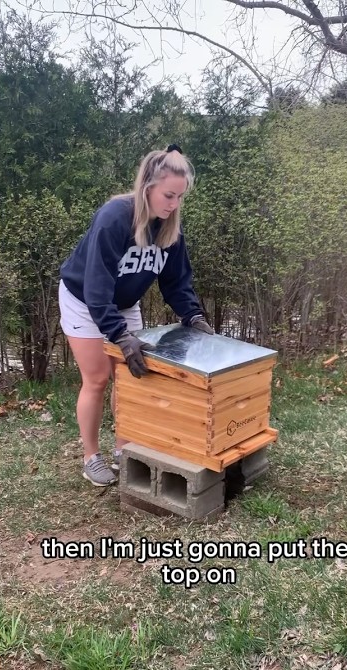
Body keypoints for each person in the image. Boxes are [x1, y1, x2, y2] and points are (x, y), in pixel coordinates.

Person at [56, 145, 216, 487]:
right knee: (97, 378)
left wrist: (193, 316)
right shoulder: (114, 217)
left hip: (125, 303)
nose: (173, 204)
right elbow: (97, 287)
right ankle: (91, 457)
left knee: (130, 377)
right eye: (168, 195)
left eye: (179, 197)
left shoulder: (170, 229)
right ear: (147, 186)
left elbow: (176, 281)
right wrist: (119, 335)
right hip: (84, 299)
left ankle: (124, 449)